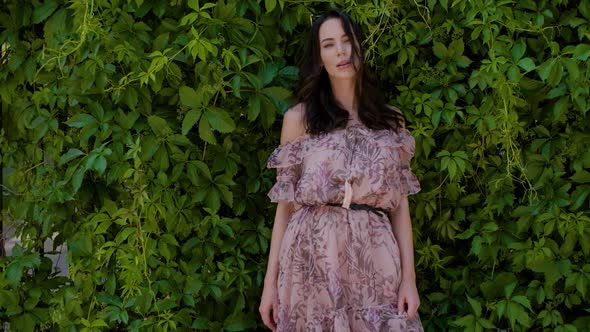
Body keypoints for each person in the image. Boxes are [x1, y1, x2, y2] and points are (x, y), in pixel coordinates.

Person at [259, 8, 423, 332]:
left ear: (359, 46)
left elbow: (400, 206)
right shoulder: (299, 120)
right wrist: (270, 285)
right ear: (320, 58)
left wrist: (409, 279)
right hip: (310, 259)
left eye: (347, 41)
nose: (341, 52)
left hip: (376, 259)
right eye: (329, 44)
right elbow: (285, 208)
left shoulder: (391, 121)